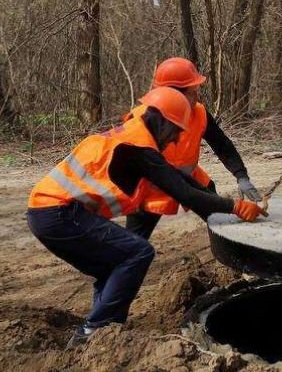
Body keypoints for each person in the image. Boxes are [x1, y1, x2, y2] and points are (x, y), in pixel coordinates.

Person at [27, 87, 265, 348]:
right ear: (163, 122)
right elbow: (184, 192)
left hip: (49, 214)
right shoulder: (138, 148)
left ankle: (104, 334)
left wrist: (227, 204)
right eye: (175, 133)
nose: (174, 141)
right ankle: (93, 331)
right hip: (59, 213)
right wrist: (235, 207)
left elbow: (180, 180)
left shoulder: (137, 139)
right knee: (138, 253)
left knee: (112, 266)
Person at [126, 57, 261, 240]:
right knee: (133, 245)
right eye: (193, 91)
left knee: (221, 222)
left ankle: (229, 255)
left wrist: (241, 176)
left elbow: (222, 146)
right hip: (149, 190)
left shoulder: (199, 113)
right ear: (175, 94)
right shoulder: (141, 119)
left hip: (191, 181)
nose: (197, 96)